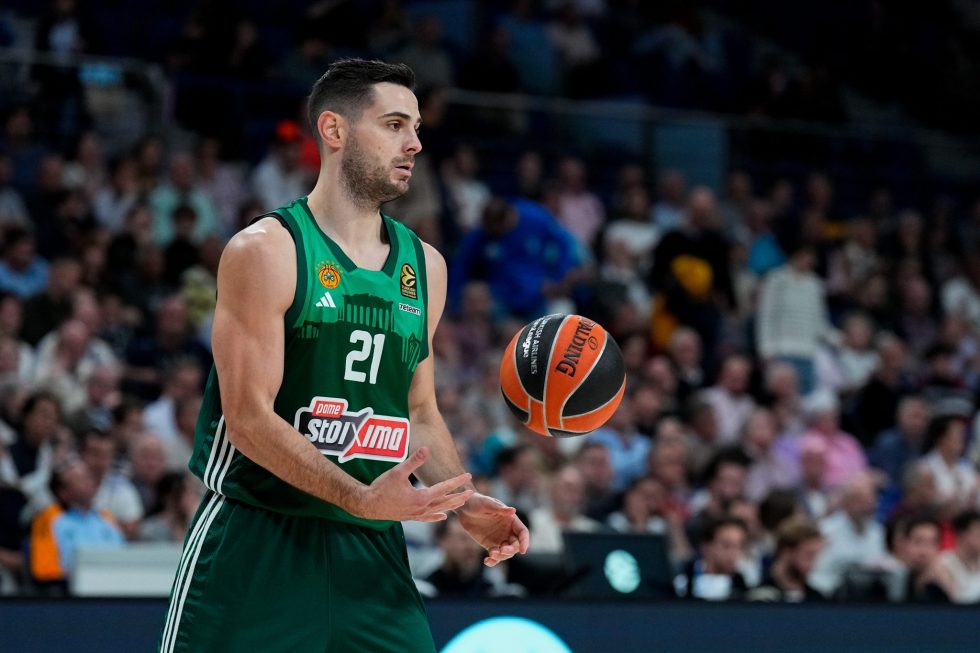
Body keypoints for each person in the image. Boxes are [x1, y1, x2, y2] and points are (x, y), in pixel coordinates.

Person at [159, 59, 529, 653]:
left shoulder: (425, 267)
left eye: (415, 127)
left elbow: (419, 412)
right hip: (258, 541)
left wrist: (461, 501)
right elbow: (248, 419)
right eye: (394, 124)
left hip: (372, 553)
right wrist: (359, 497)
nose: (415, 142)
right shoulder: (266, 250)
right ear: (334, 130)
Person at [747, 517, 825, 602]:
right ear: (787, 552)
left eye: (816, 556)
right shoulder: (759, 597)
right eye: (809, 555)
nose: (813, 563)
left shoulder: (818, 599)